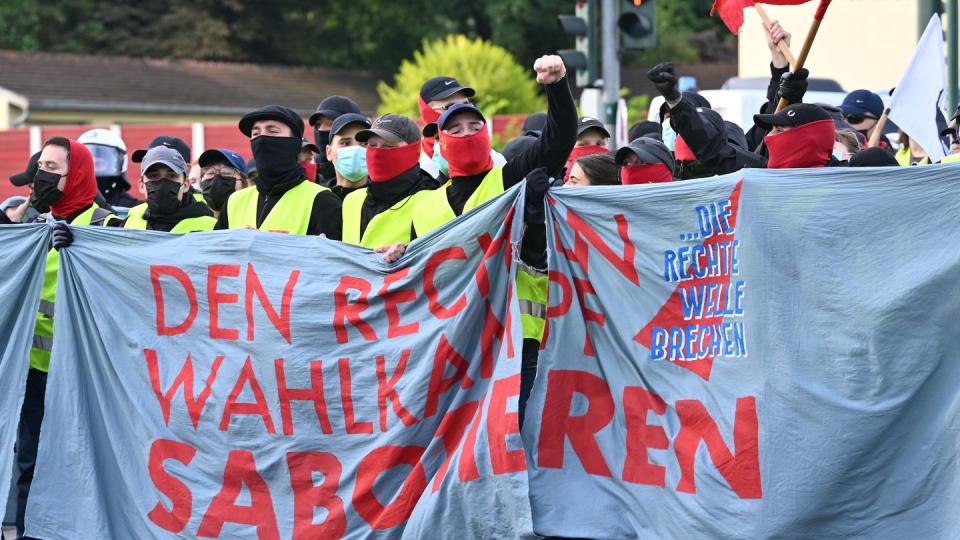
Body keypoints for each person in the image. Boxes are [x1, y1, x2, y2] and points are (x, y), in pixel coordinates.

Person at [413, 55, 576, 428]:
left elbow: (559, 140)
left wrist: (556, 86)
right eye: (456, 128)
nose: (468, 132)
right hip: (454, 342)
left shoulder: (510, 177)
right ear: (439, 140)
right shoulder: (424, 206)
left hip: (516, 337)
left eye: (475, 124)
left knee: (507, 439)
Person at [17, 137, 118, 539]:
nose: (42, 174)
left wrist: (86, 250)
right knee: (31, 463)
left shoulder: (108, 225)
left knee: (81, 466)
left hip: (86, 377)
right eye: (40, 165)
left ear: (76, 174)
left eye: (53, 168)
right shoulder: (34, 225)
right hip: (36, 372)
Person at [216, 105, 342, 237]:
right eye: (256, 134)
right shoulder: (234, 202)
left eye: (272, 131)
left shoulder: (322, 201)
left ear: (294, 143)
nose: (262, 139)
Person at [648, 62, 764, 178]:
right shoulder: (664, 171)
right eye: (667, 118)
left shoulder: (742, 166)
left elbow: (708, 147)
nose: (670, 125)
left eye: (677, 121)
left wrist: (676, 102)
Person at [339, 114, 436, 248]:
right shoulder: (352, 201)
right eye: (372, 145)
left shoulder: (431, 202)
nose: (377, 152)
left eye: (388, 146)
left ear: (413, 150)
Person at [117, 146, 215, 232]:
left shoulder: (210, 228)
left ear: (186, 185)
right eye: (154, 176)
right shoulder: (130, 221)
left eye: (171, 176)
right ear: (141, 186)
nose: (163, 183)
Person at [754, 103, 839, 169]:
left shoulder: (844, 185)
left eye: (779, 130)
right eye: (771, 130)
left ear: (807, 140)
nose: (767, 137)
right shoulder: (752, 182)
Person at [77, 128, 140, 208]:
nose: (92, 170)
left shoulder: (135, 209)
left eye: (99, 164)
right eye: (88, 165)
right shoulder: (64, 207)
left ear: (120, 164)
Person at [309, 95, 364, 182]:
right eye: (318, 124)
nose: (321, 129)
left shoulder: (370, 179)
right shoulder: (307, 174)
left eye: (331, 123)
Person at [326, 112, 372, 199]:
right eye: (345, 143)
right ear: (329, 152)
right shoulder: (317, 199)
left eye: (365, 144)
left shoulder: (386, 201)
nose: (356, 150)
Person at [196, 148, 250, 217]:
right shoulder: (192, 218)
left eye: (226, 173)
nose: (216, 179)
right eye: (210, 173)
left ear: (245, 183)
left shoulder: (255, 216)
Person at [563, 117, 610, 181]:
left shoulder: (619, 179)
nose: (593, 149)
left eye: (599, 144)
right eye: (582, 145)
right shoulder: (552, 183)